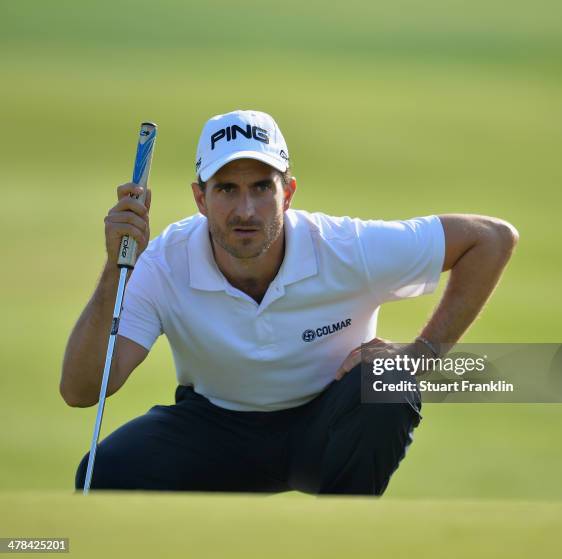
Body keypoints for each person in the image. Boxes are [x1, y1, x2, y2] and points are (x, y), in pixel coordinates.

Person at [61, 109, 519, 495]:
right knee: (103, 474)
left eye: (262, 187)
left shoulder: (344, 246)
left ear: (289, 193)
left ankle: (342, 543)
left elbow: (492, 239)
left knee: (388, 380)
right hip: (215, 427)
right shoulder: (163, 262)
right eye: (226, 189)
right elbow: (81, 390)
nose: (245, 210)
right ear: (200, 197)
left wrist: (422, 355)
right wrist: (114, 269)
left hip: (327, 430)